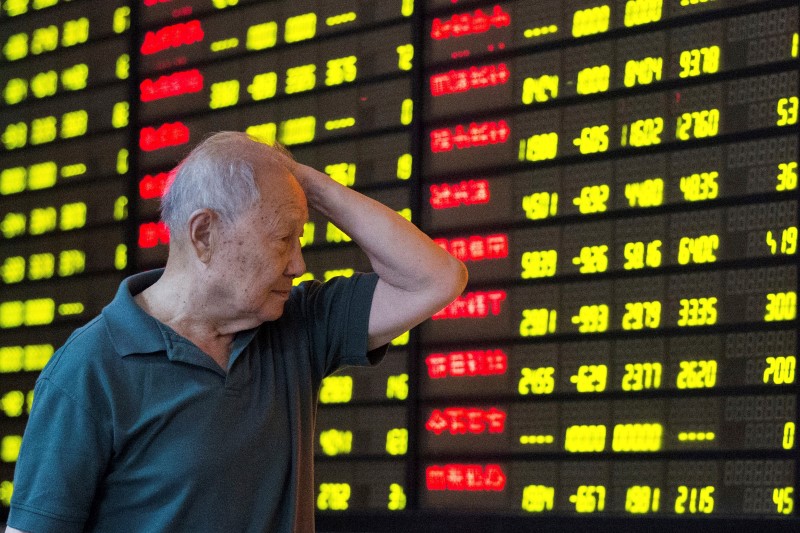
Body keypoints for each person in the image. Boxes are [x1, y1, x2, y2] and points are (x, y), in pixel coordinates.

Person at [5, 131, 468, 533]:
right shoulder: (89, 372)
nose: (298, 264)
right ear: (204, 234)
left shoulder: (296, 326)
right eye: (284, 237)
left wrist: (315, 187)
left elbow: (437, 279)